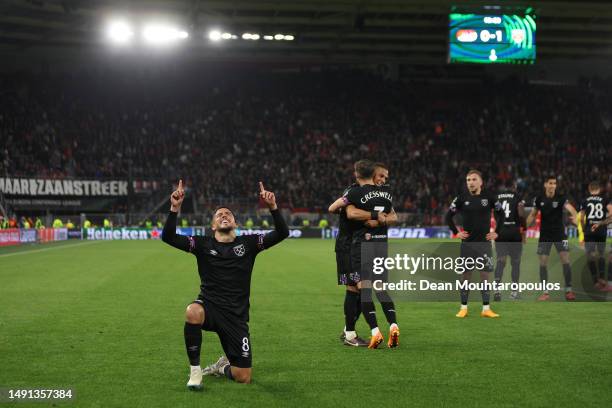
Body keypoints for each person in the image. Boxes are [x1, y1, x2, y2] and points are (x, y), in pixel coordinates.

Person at [161, 180, 289, 389]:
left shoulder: (249, 244)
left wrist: (273, 207)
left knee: (243, 376)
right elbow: (168, 237)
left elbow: (282, 233)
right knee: (192, 311)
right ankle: (195, 373)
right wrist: (175, 208)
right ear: (213, 226)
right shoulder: (202, 244)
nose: (223, 215)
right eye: (219, 215)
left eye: (228, 214)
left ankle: (222, 367)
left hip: (236, 317)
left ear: (235, 224)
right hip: (209, 307)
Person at [345, 160, 399, 348]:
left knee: (364, 290)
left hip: (363, 245)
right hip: (381, 246)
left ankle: (375, 332)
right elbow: (393, 216)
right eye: (381, 176)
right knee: (382, 289)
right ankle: (393, 325)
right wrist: (380, 218)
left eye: (385, 177)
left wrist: (376, 220)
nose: (383, 180)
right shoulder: (386, 194)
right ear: (373, 174)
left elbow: (350, 213)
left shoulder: (356, 192)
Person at [446, 170, 499, 318]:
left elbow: (501, 214)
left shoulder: (489, 197)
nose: (470, 182)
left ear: (480, 182)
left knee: (484, 276)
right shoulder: (461, 198)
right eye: (468, 180)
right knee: (466, 276)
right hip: (467, 244)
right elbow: (448, 216)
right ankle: (463, 307)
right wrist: (456, 232)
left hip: (484, 244)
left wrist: (497, 232)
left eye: (474, 179)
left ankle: (486, 309)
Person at [526, 176, 578, 301]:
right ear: (545, 184)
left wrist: (576, 217)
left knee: (565, 259)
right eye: (550, 183)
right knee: (543, 262)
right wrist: (523, 229)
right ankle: (545, 292)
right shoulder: (539, 199)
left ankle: (569, 291)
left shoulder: (561, 198)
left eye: (554, 183)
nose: (553, 185)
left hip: (559, 234)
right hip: (545, 235)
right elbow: (532, 215)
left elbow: (571, 209)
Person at [493, 180, 526, 301]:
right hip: (514, 232)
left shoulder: (497, 197)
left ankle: (496, 290)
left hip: (501, 232)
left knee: (501, 261)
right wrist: (524, 228)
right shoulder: (517, 197)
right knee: (515, 262)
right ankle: (514, 292)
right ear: (514, 187)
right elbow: (521, 213)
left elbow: (494, 213)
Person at [578, 181, 609, 290]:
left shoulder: (585, 200)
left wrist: (583, 229)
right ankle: (602, 278)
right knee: (601, 254)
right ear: (599, 189)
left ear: (589, 189)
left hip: (589, 230)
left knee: (590, 255)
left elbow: (581, 218)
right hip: (601, 230)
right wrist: (602, 223)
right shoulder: (605, 199)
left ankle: (595, 281)